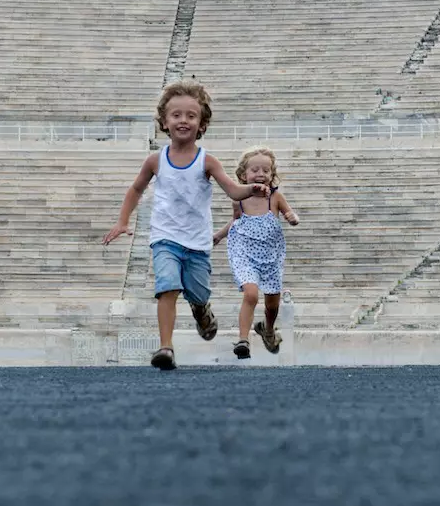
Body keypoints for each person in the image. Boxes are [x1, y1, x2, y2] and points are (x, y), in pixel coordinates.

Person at [102, 82, 261, 371]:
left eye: (191, 116)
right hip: (165, 237)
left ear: (201, 124)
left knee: (198, 293)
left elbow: (233, 190)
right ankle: (166, 347)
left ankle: (201, 310)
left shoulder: (207, 161)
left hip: (197, 242)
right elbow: (135, 190)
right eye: (176, 115)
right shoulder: (155, 160)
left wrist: (252, 190)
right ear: (165, 121)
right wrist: (123, 221)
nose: (183, 120)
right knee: (167, 287)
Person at [212, 147, 298, 359]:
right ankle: (243, 340)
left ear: (272, 174)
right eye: (255, 169)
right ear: (243, 175)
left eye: (266, 170)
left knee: (272, 304)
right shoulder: (239, 199)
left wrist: (292, 217)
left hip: (270, 256)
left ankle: (267, 329)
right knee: (250, 294)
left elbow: (288, 212)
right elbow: (236, 221)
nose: (261, 173)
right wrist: (219, 236)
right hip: (245, 253)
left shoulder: (275, 197)